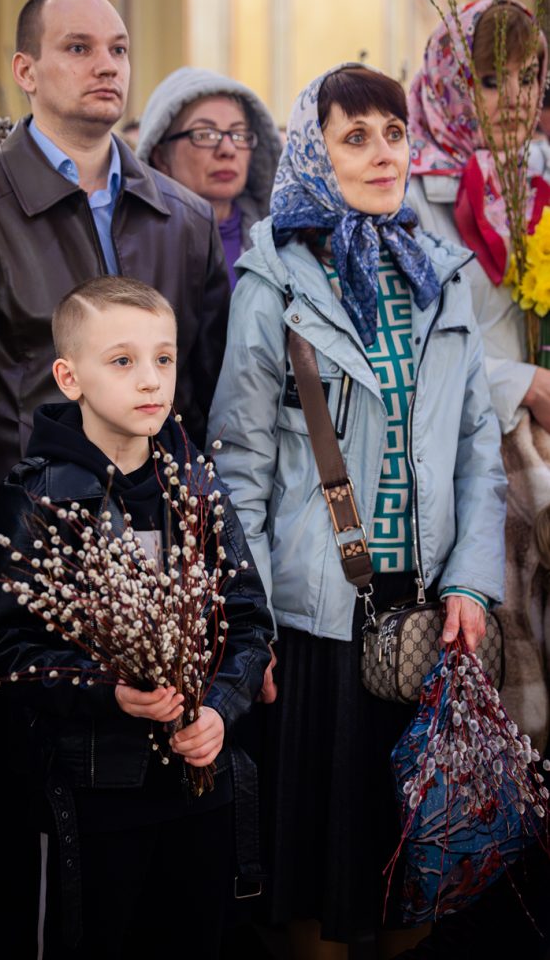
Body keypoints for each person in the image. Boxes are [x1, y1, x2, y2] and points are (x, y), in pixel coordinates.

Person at [0, 0, 229, 957]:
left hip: (158, 575)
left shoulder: (181, 217)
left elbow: (200, 407)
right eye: (77, 47)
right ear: (26, 70)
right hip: (24, 579)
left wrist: (206, 581)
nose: (106, 65)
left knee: (154, 853)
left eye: (117, 47)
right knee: (36, 864)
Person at [207, 64, 506, 959]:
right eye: (355, 137)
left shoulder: (440, 275)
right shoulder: (274, 281)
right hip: (319, 624)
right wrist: (251, 623)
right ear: (314, 151)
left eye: (393, 134)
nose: (382, 155)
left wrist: (471, 584)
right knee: (318, 875)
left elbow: (476, 450)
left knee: (419, 863)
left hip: (430, 615)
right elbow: (239, 467)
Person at [0, 276, 272, 959]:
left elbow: (249, 622)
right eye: (122, 360)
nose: (150, 380)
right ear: (69, 377)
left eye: (163, 358)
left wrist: (219, 709)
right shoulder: (39, 498)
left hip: (200, 785)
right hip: (97, 792)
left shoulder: (196, 486)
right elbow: (3, 651)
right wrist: (109, 692)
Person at [407, 0, 550, 749]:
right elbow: (415, 341)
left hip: (540, 441)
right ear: (448, 86)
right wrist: (524, 383)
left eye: (530, 76)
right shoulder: (408, 192)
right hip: (468, 455)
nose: (516, 98)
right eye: (491, 80)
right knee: (501, 661)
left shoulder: (539, 177)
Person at [137, 66, 282, 289]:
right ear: (160, 157)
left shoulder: (282, 243)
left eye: (238, 135)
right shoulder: (134, 248)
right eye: (205, 134)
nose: (228, 149)